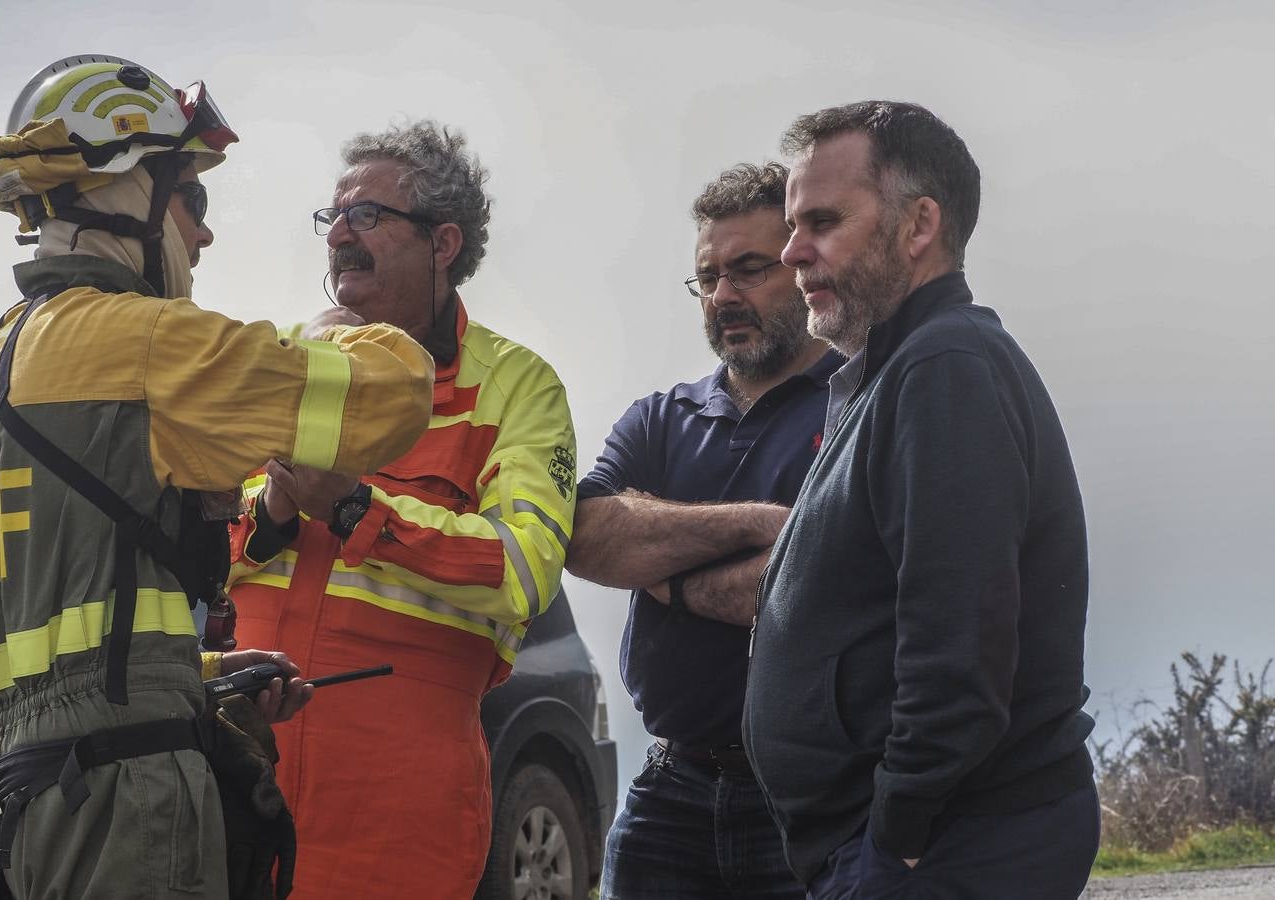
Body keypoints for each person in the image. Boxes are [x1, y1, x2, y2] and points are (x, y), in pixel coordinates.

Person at [0, 54, 434, 899]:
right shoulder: (151, 341)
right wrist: (336, 325)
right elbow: (393, 399)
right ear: (127, 187)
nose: (202, 231)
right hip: (127, 800)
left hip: (15, 808)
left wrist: (188, 677)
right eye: (190, 195)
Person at [744, 101, 1098, 899]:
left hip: (944, 848)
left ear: (918, 225)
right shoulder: (897, 372)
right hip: (917, 849)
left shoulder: (945, 368)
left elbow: (958, 634)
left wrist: (897, 831)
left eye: (822, 221)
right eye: (793, 224)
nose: (792, 251)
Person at [226, 120, 577, 900]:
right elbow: (188, 534)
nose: (340, 235)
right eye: (333, 218)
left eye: (367, 216)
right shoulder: (283, 359)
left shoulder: (517, 385)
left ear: (442, 242)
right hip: (237, 766)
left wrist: (355, 509)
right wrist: (275, 507)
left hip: (400, 798)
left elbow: (522, 569)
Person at [566, 162, 839, 899]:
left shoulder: (858, 405)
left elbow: (807, 584)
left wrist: (660, 574)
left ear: (802, 266)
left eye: (749, 270)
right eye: (707, 278)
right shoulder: (659, 418)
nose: (724, 296)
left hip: (813, 797)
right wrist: (757, 523)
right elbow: (587, 537)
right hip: (669, 793)